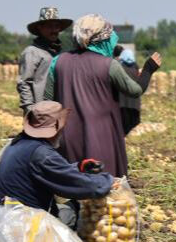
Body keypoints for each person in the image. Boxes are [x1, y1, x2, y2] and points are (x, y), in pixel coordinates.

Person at [45, 13, 161, 177]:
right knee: (102, 183)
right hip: (102, 137)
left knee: (72, 180)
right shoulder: (109, 65)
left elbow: (47, 101)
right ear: (103, 39)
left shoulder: (58, 61)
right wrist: (149, 69)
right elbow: (134, 91)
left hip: (67, 136)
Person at [0, 101, 114, 227]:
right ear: (57, 127)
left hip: (10, 217)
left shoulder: (19, 143)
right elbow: (80, 186)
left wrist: (79, 167)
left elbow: (51, 172)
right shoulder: (42, 154)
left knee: (67, 208)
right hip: (28, 226)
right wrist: (108, 181)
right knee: (75, 211)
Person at [18, 6, 71, 113]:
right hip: (40, 111)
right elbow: (24, 83)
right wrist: (29, 109)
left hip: (59, 108)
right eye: (50, 26)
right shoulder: (32, 52)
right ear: (40, 28)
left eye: (57, 26)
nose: (54, 30)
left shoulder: (60, 52)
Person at [116, 48, 143, 135]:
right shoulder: (136, 67)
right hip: (135, 103)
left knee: (123, 127)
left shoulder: (119, 67)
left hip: (123, 102)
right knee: (132, 125)